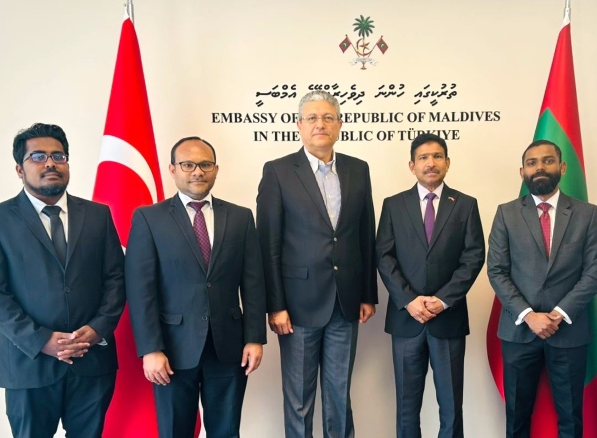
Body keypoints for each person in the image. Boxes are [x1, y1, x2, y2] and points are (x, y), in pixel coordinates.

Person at [0, 123, 126, 437]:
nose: (51, 163)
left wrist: (97, 329)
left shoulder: (98, 215)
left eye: (59, 156)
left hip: (92, 360)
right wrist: (41, 340)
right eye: (38, 156)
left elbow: (116, 279)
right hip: (29, 364)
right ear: (20, 169)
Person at [125, 137, 266, 438]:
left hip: (229, 347)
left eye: (205, 164)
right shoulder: (149, 218)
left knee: (226, 432)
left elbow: (253, 283)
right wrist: (151, 348)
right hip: (172, 350)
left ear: (216, 169)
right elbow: (141, 291)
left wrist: (255, 338)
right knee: (175, 431)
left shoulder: (240, 217)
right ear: (173, 170)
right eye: (188, 165)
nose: (197, 171)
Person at [256, 90, 378, 438]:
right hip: (296, 307)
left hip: (345, 302)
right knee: (299, 400)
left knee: (339, 395)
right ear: (299, 125)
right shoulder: (278, 171)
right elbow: (268, 244)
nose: (320, 124)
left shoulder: (358, 169)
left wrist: (367, 293)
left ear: (340, 124)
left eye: (327, 117)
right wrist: (275, 305)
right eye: (312, 118)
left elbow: (365, 234)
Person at [487, 140, 597, 438]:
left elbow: (593, 273)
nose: (539, 167)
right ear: (522, 172)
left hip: (568, 331)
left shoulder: (586, 214)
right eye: (532, 163)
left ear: (562, 167)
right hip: (519, 331)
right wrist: (529, 315)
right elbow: (497, 271)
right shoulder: (506, 214)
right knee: (517, 418)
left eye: (547, 161)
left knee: (571, 419)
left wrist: (558, 314)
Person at [376, 133, 484, 438]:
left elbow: (474, 256)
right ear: (412, 165)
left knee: (451, 406)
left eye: (437, 156)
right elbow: (384, 256)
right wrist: (409, 300)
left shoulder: (465, 205)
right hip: (406, 318)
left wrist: (443, 300)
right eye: (423, 157)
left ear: (447, 163)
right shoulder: (393, 205)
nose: (431, 163)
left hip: (447, 318)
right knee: (406, 406)